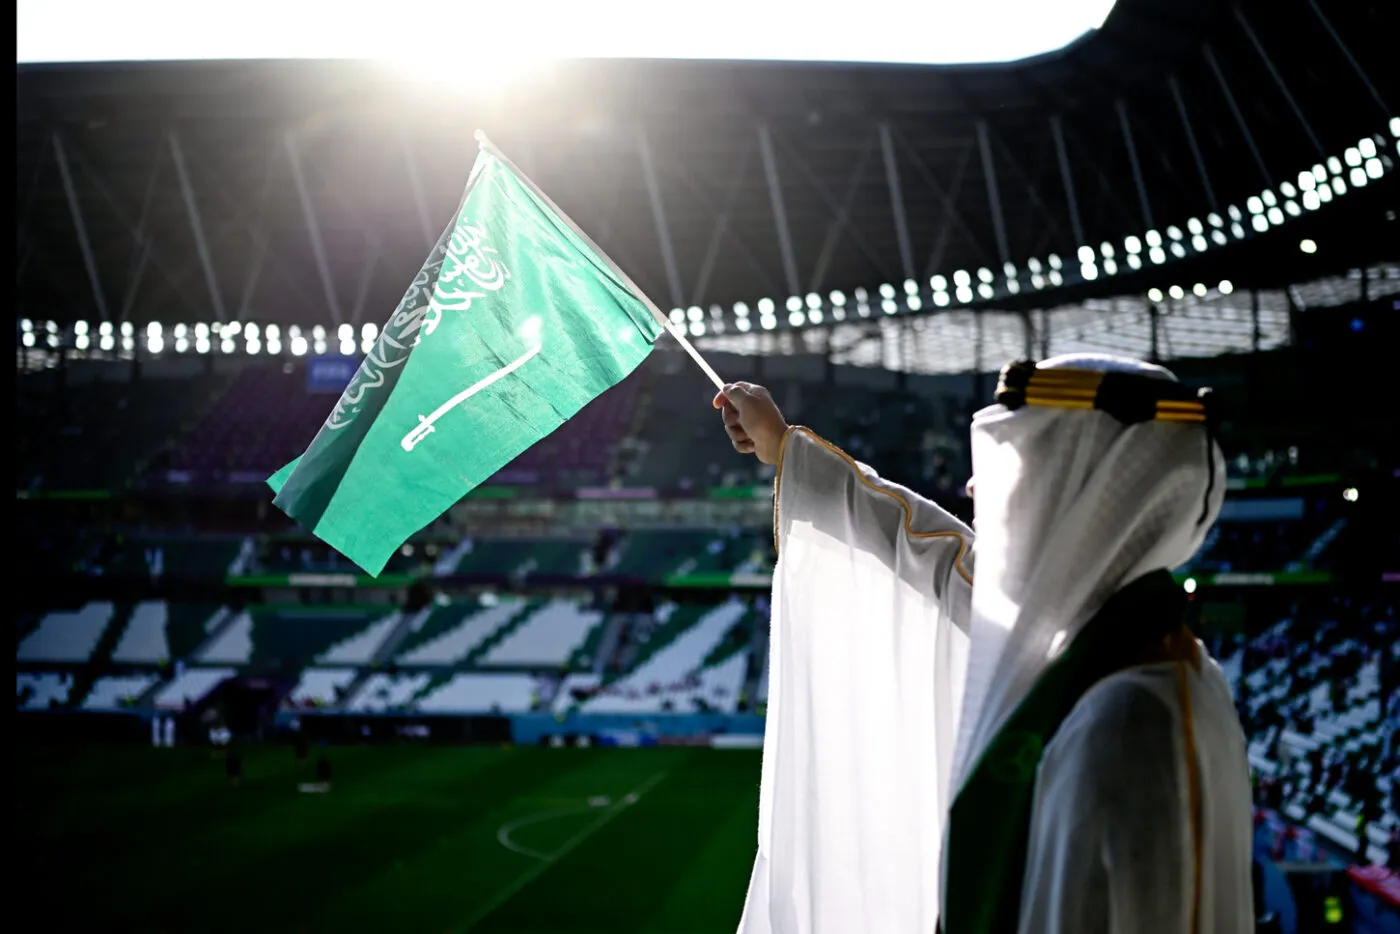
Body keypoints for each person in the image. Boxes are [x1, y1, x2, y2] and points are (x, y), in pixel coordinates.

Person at [717, 355, 1253, 934]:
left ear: (1082, 490)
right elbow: (936, 558)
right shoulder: (1079, 635)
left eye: (1011, 459)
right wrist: (788, 451)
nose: (973, 484)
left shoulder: (1138, 721)